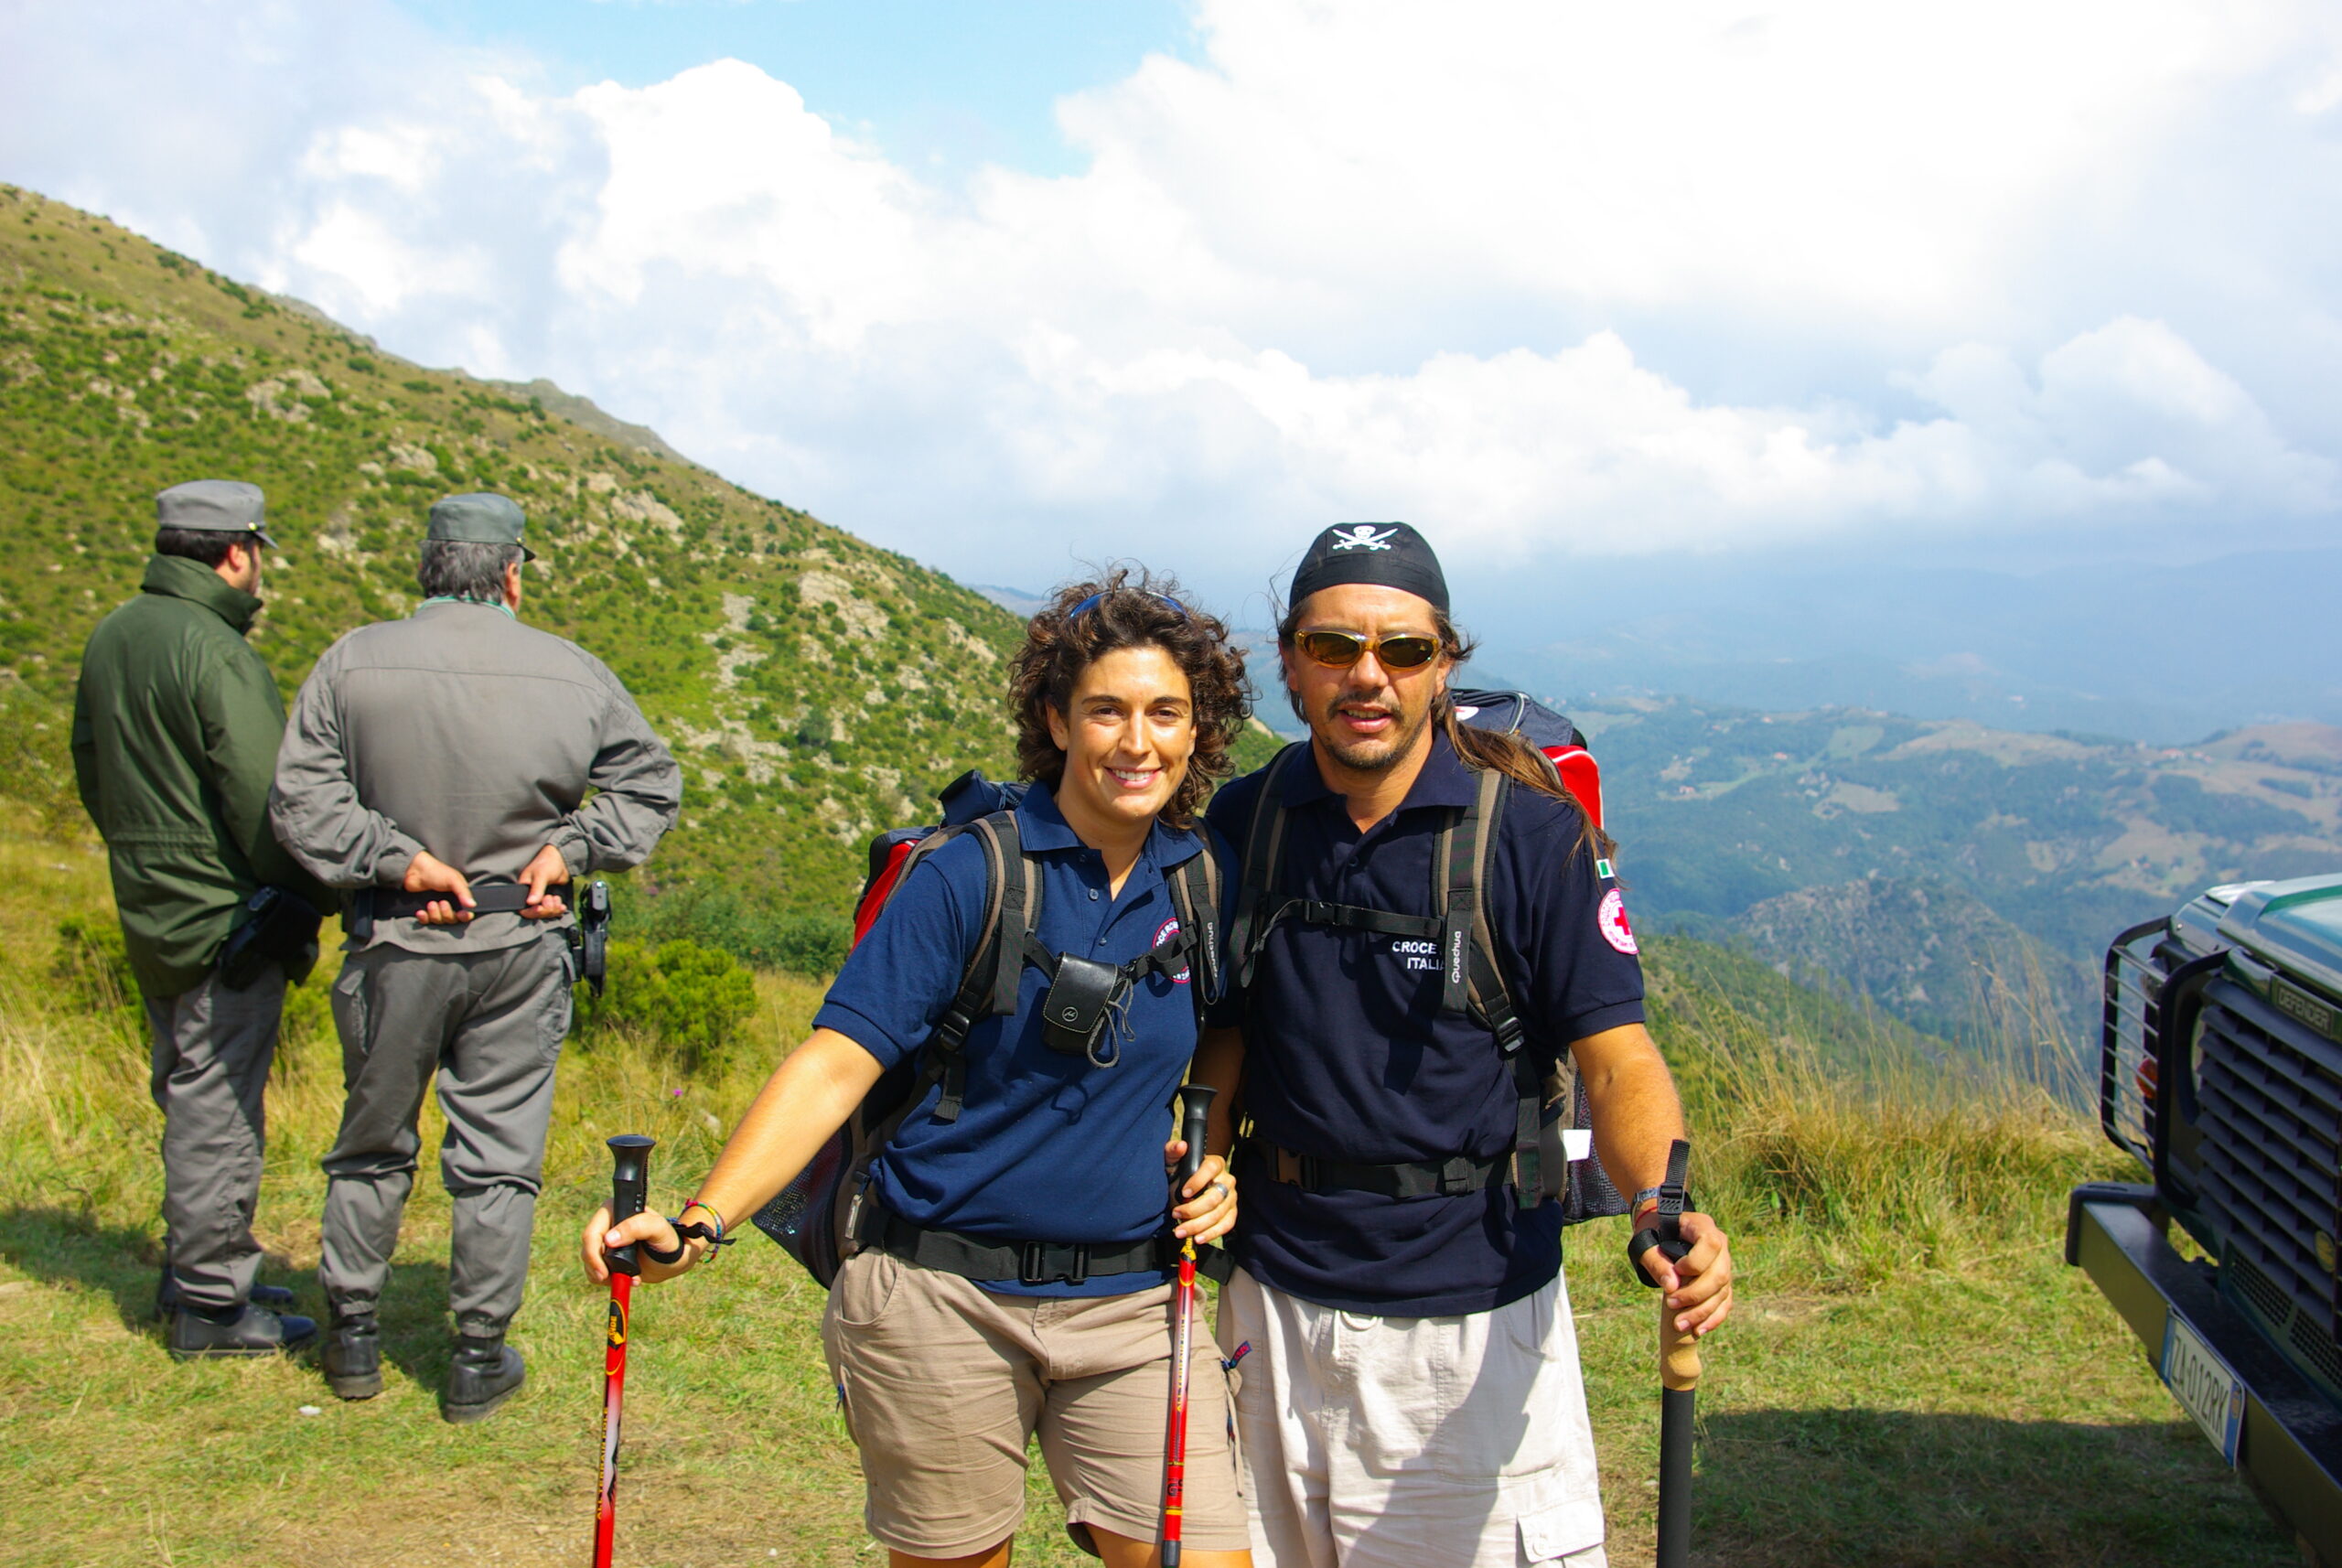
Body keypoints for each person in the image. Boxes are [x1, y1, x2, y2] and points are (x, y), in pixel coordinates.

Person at [584, 573, 1256, 1568]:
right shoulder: (970, 872)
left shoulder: (1202, 880)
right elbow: (835, 1061)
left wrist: (1214, 1148)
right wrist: (699, 1223)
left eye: (1166, 713)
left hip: (1136, 1302)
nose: (1136, 741)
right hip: (939, 1292)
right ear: (1054, 718)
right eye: (1105, 709)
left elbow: (1228, 1029)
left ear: (1198, 730)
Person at [1193, 522, 1735, 1568]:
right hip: (1268, 1309)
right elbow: (1227, 1026)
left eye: (1401, 649)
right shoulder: (1245, 820)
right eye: (1333, 645)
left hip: (1470, 1325)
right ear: (1290, 664)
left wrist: (1657, 1202)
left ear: (1444, 666)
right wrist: (1205, 1151)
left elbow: (1617, 1053)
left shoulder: (1530, 834)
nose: (1367, 674)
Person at [269, 492, 681, 1421]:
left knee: (371, 1145)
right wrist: (569, 850)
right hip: (522, 944)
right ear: (510, 572)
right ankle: (476, 1357)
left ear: (428, 567)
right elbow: (652, 786)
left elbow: (299, 797)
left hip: (393, 937)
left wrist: (396, 859)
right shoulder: (573, 673)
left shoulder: (351, 660)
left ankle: (354, 1341)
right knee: (499, 1157)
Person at [70, 479, 329, 1359]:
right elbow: (269, 806)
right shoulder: (213, 650)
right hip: (227, 916)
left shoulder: (114, 634)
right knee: (217, 1104)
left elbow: (90, 768)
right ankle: (210, 1304)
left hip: (150, 904)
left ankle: (197, 1266)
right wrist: (312, 895)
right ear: (234, 552)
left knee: (182, 1088)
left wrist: (146, 856)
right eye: (258, 556)